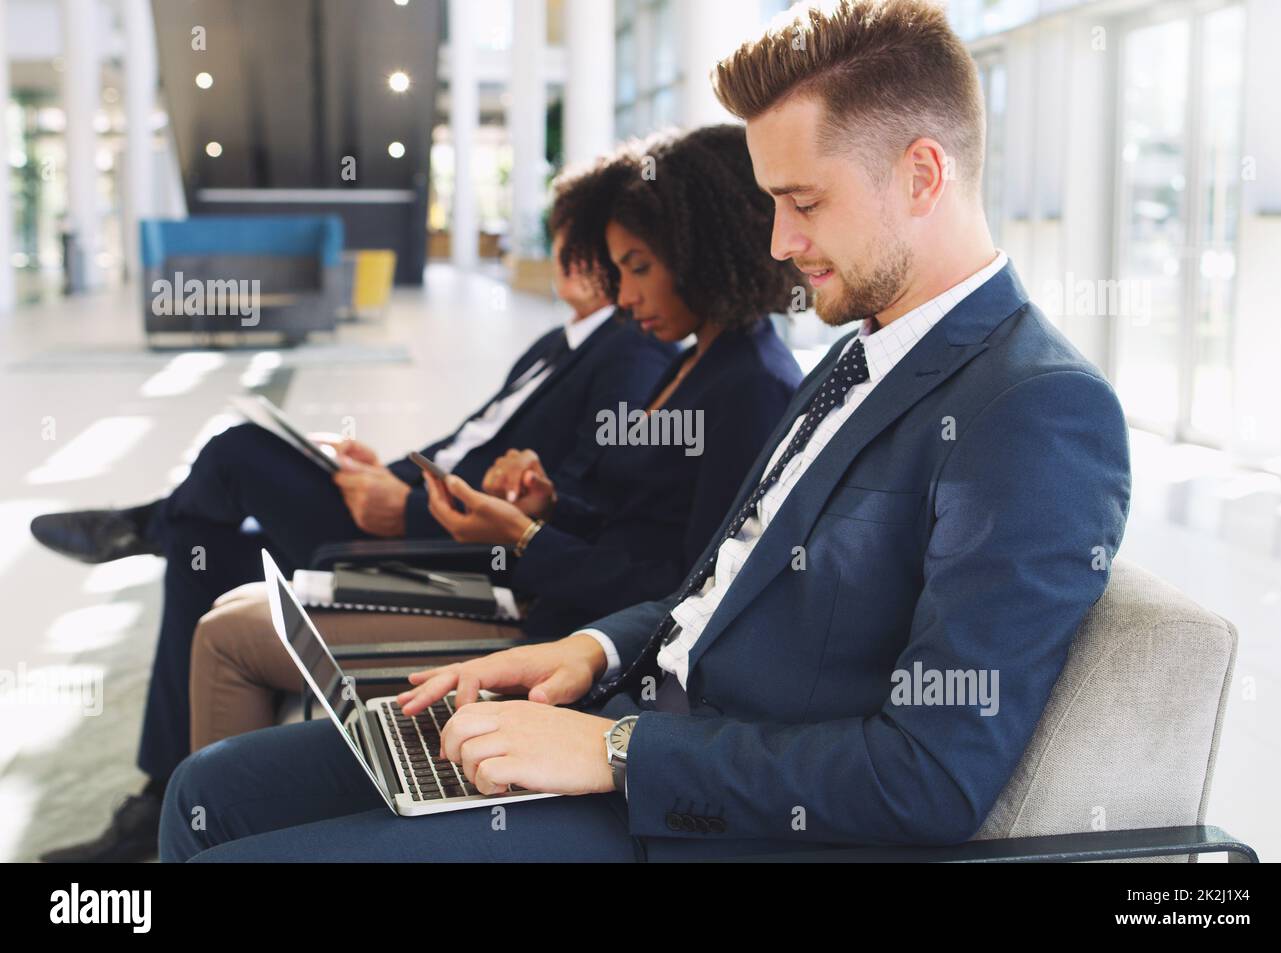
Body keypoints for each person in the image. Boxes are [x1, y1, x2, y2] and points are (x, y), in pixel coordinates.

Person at [162, 0, 1131, 862]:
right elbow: (716, 587)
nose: (779, 244)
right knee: (210, 794)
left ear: (922, 174)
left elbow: (931, 775)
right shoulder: (860, 356)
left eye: (802, 202)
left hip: (702, 811)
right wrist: (589, 648)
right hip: (625, 712)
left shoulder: (1032, 408)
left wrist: (617, 750)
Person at [32, 222, 676, 863]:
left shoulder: (628, 355)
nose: (562, 250)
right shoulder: (555, 343)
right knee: (199, 548)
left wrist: (410, 509)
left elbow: (556, 501)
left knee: (236, 454)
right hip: (411, 507)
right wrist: (389, 471)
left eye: (576, 237)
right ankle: (160, 789)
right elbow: (466, 444)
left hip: (442, 545)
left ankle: (145, 526)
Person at [182, 123, 807, 754]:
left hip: (562, 644)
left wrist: (524, 538)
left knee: (230, 632)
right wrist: (551, 506)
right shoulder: (698, 360)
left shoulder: (749, 386)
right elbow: (639, 518)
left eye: (638, 268)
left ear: (701, 250)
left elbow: (681, 590)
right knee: (233, 611)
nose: (625, 294)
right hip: (543, 605)